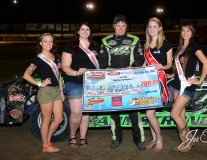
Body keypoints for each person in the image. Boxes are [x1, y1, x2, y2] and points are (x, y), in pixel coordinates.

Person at [99, 14, 146, 150]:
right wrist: (105, 68)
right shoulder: (106, 40)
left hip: (131, 80)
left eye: (123, 25)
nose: (121, 28)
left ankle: (139, 140)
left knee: (134, 112)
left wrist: (134, 66)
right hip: (112, 82)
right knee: (114, 111)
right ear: (114, 26)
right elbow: (102, 59)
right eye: (118, 25)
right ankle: (116, 138)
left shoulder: (134, 39)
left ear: (127, 27)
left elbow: (140, 58)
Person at [169, 22, 207, 152]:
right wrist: (172, 74)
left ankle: (187, 143)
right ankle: (189, 140)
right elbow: (181, 66)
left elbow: (206, 63)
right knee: (180, 114)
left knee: (174, 114)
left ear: (192, 33)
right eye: (183, 30)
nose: (185, 33)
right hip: (176, 83)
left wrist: (199, 81)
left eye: (188, 30)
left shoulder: (194, 47)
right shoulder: (180, 47)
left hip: (187, 86)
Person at [61, 21, 100, 149]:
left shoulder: (96, 45)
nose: (85, 31)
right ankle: (72, 136)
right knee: (76, 113)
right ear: (78, 31)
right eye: (82, 29)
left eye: (87, 29)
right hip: (74, 81)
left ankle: (83, 137)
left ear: (90, 31)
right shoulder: (71, 46)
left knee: (86, 112)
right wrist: (76, 72)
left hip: (91, 83)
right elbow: (65, 67)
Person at [23, 33, 64, 152]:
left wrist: (61, 92)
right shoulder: (38, 59)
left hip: (57, 91)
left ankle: (48, 140)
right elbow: (26, 75)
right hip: (46, 92)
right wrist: (40, 84)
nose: (48, 44)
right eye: (45, 41)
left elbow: (59, 74)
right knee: (46, 120)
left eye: (50, 41)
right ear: (40, 43)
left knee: (59, 119)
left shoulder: (56, 57)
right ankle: (45, 145)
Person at [143, 17, 173, 152]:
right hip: (148, 81)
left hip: (159, 80)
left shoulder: (166, 44)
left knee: (149, 114)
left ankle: (160, 138)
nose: (152, 29)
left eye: (155, 26)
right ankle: (154, 138)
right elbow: (144, 63)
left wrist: (162, 67)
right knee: (149, 113)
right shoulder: (147, 44)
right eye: (150, 27)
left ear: (160, 28)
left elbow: (169, 64)